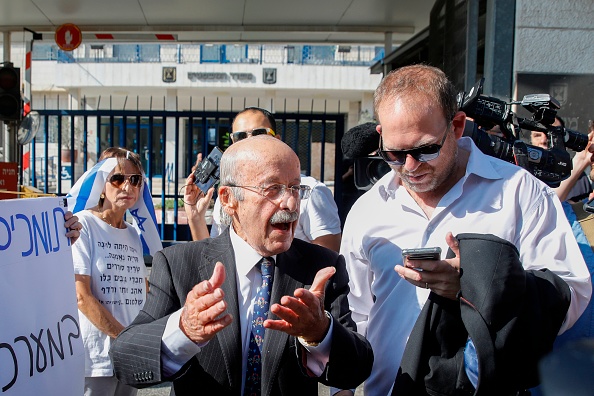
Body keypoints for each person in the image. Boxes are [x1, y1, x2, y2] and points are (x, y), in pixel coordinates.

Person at [340, 64, 592, 395]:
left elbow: (569, 296)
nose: (411, 167)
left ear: (457, 126)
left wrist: (477, 283)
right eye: (395, 154)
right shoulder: (367, 210)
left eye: (426, 148)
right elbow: (356, 315)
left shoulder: (521, 193)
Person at [110, 135, 373, 395]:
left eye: (295, 188)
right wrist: (183, 331)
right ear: (228, 199)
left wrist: (321, 333)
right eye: (272, 189)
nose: (291, 203)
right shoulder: (179, 264)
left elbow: (357, 369)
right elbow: (126, 361)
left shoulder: (322, 267)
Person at [184, 106, 342, 252]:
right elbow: (214, 258)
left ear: (277, 139)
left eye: (259, 133)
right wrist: (195, 216)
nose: (250, 141)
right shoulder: (230, 194)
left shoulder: (309, 192)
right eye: (240, 137)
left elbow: (328, 262)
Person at [68, 148, 149, 396]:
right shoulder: (84, 225)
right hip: (97, 359)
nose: (127, 186)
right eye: (118, 179)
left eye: (135, 179)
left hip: (129, 356)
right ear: (102, 185)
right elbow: (81, 295)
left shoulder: (135, 233)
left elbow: (137, 288)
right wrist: (122, 337)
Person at [530, 116, 592, 202]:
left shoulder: (581, 181)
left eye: (550, 134)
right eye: (537, 135)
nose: (543, 140)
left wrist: (582, 159)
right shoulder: (522, 176)